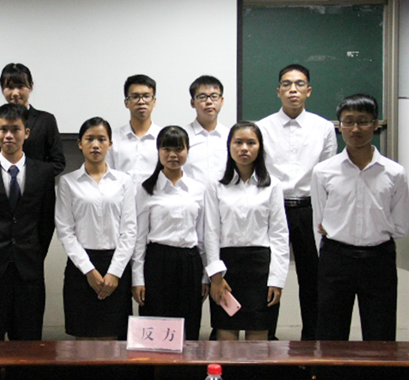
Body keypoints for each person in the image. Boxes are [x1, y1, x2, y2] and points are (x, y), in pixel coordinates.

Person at [312, 94, 408, 341]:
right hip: (336, 258)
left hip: (379, 259)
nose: (355, 129)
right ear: (340, 125)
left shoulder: (395, 173)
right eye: (348, 121)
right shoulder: (323, 171)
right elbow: (319, 221)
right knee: (330, 335)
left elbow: (399, 225)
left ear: (375, 125)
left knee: (380, 335)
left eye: (363, 121)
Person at [257, 64, 336, 341]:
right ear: (278, 91)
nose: (293, 89)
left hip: (310, 208)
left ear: (308, 90)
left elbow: (329, 175)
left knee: (313, 277)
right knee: (270, 275)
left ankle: (312, 339)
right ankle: (266, 336)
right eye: (287, 84)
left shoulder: (324, 128)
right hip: (273, 208)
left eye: (299, 84)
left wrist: (327, 215)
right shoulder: (262, 128)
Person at [0, 103, 56, 340]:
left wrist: (34, 252)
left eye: (15, 129)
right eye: (3, 129)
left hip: (29, 270)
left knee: (28, 344)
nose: (9, 135)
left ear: (26, 133)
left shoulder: (44, 173)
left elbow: (46, 223)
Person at [205, 122, 289, 341]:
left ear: (260, 147)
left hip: (260, 268)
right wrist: (215, 276)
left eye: (251, 143)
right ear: (229, 146)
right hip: (226, 268)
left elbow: (279, 235)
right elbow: (211, 231)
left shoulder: (272, 185)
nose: (244, 148)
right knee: (226, 336)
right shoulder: (216, 184)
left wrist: (277, 280)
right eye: (238, 142)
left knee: (258, 339)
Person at [55, 117, 136, 340]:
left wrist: (114, 272)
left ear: (110, 144)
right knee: (83, 342)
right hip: (81, 269)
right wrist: (88, 270)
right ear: (79, 144)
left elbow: (129, 230)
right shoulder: (68, 182)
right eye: (89, 139)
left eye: (101, 139)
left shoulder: (124, 181)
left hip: (115, 267)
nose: (95, 145)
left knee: (114, 341)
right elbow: (65, 231)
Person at [131, 126, 208, 340]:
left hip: (189, 263)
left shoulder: (198, 189)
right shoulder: (147, 189)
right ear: (158, 151)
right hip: (157, 263)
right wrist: (137, 278)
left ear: (187, 151)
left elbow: (203, 236)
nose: (173, 155)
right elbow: (139, 237)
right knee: (155, 330)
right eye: (166, 149)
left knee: (187, 329)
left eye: (178, 149)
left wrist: (205, 275)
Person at [0, 63, 65, 176]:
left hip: (36, 184)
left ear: (31, 86)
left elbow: (58, 161)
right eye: (10, 87)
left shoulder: (46, 120)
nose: (15, 93)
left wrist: (34, 178)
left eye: (20, 87)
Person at [106, 74, 161, 185]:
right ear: (126, 103)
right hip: (121, 196)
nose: (141, 101)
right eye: (135, 97)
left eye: (146, 96)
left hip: (155, 196)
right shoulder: (113, 138)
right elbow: (106, 177)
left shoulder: (163, 137)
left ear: (154, 101)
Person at [183, 75, 230, 188]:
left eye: (214, 96)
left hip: (224, 197)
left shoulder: (230, 137)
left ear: (222, 101)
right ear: (192, 102)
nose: (209, 101)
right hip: (191, 198)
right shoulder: (183, 136)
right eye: (202, 97)